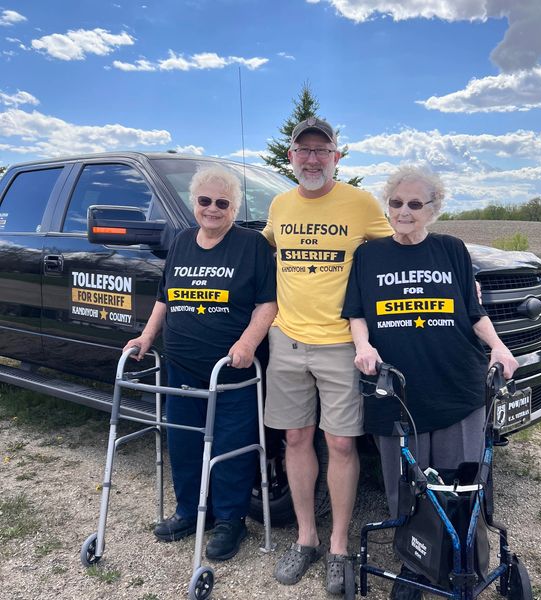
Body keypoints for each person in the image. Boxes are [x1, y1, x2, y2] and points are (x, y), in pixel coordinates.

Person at [342, 165, 519, 600]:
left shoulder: (452, 250)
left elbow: (473, 314)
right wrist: (362, 346)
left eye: (415, 204)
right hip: (397, 386)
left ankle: (463, 561)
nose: (403, 211)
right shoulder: (369, 255)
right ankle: (416, 559)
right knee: (405, 483)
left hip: (456, 381)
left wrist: (499, 348)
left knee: (462, 480)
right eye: (396, 203)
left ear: (433, 209)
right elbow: (358, 313)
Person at [262, 117, 393, 594]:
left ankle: (339, 546)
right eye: (304, 150)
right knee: (296, 439)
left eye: (322, 150)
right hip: (287, 339)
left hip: (342, 343)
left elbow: (397, 249)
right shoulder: (279, 204)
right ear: (291, 156)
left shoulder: (360, 204)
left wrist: (457, 272)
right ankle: (306, 538)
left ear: (338, 156)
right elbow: (262, 254)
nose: (312, 158)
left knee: (340, 444)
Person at [124, 165, 277, 561]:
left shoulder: (251, 246)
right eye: (205, 201)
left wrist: (247, 343)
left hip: (231, 369)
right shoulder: (182, 241)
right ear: (195, 202)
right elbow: (165, 297)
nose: (212, 209)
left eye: (222, 203)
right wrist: (146, 336)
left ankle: (230, 521)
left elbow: (268, 302)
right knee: (185, 442)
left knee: (232, 446)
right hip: (182, 364)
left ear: (234, 208)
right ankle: (190, 512)